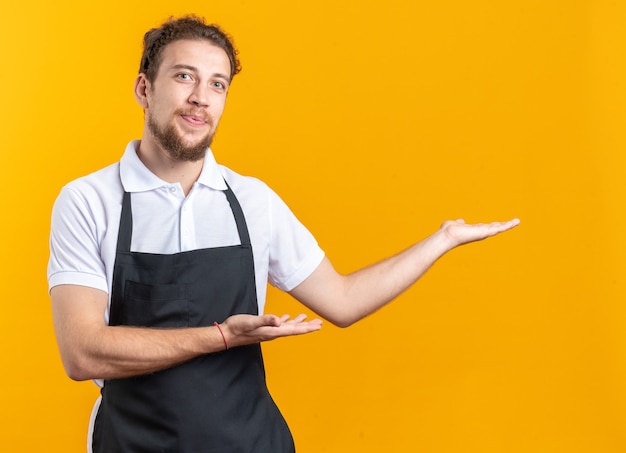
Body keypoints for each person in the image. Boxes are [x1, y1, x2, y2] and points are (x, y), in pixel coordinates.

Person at [48, 15, 519, 453]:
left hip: (253, 442)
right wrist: (222, 336)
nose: (201, 97)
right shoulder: (89, 201)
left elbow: (343, 300)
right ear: (144, 89)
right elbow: (83, 353)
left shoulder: (252, 200)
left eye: (218, 84)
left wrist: (441, 239)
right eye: (184, 76)